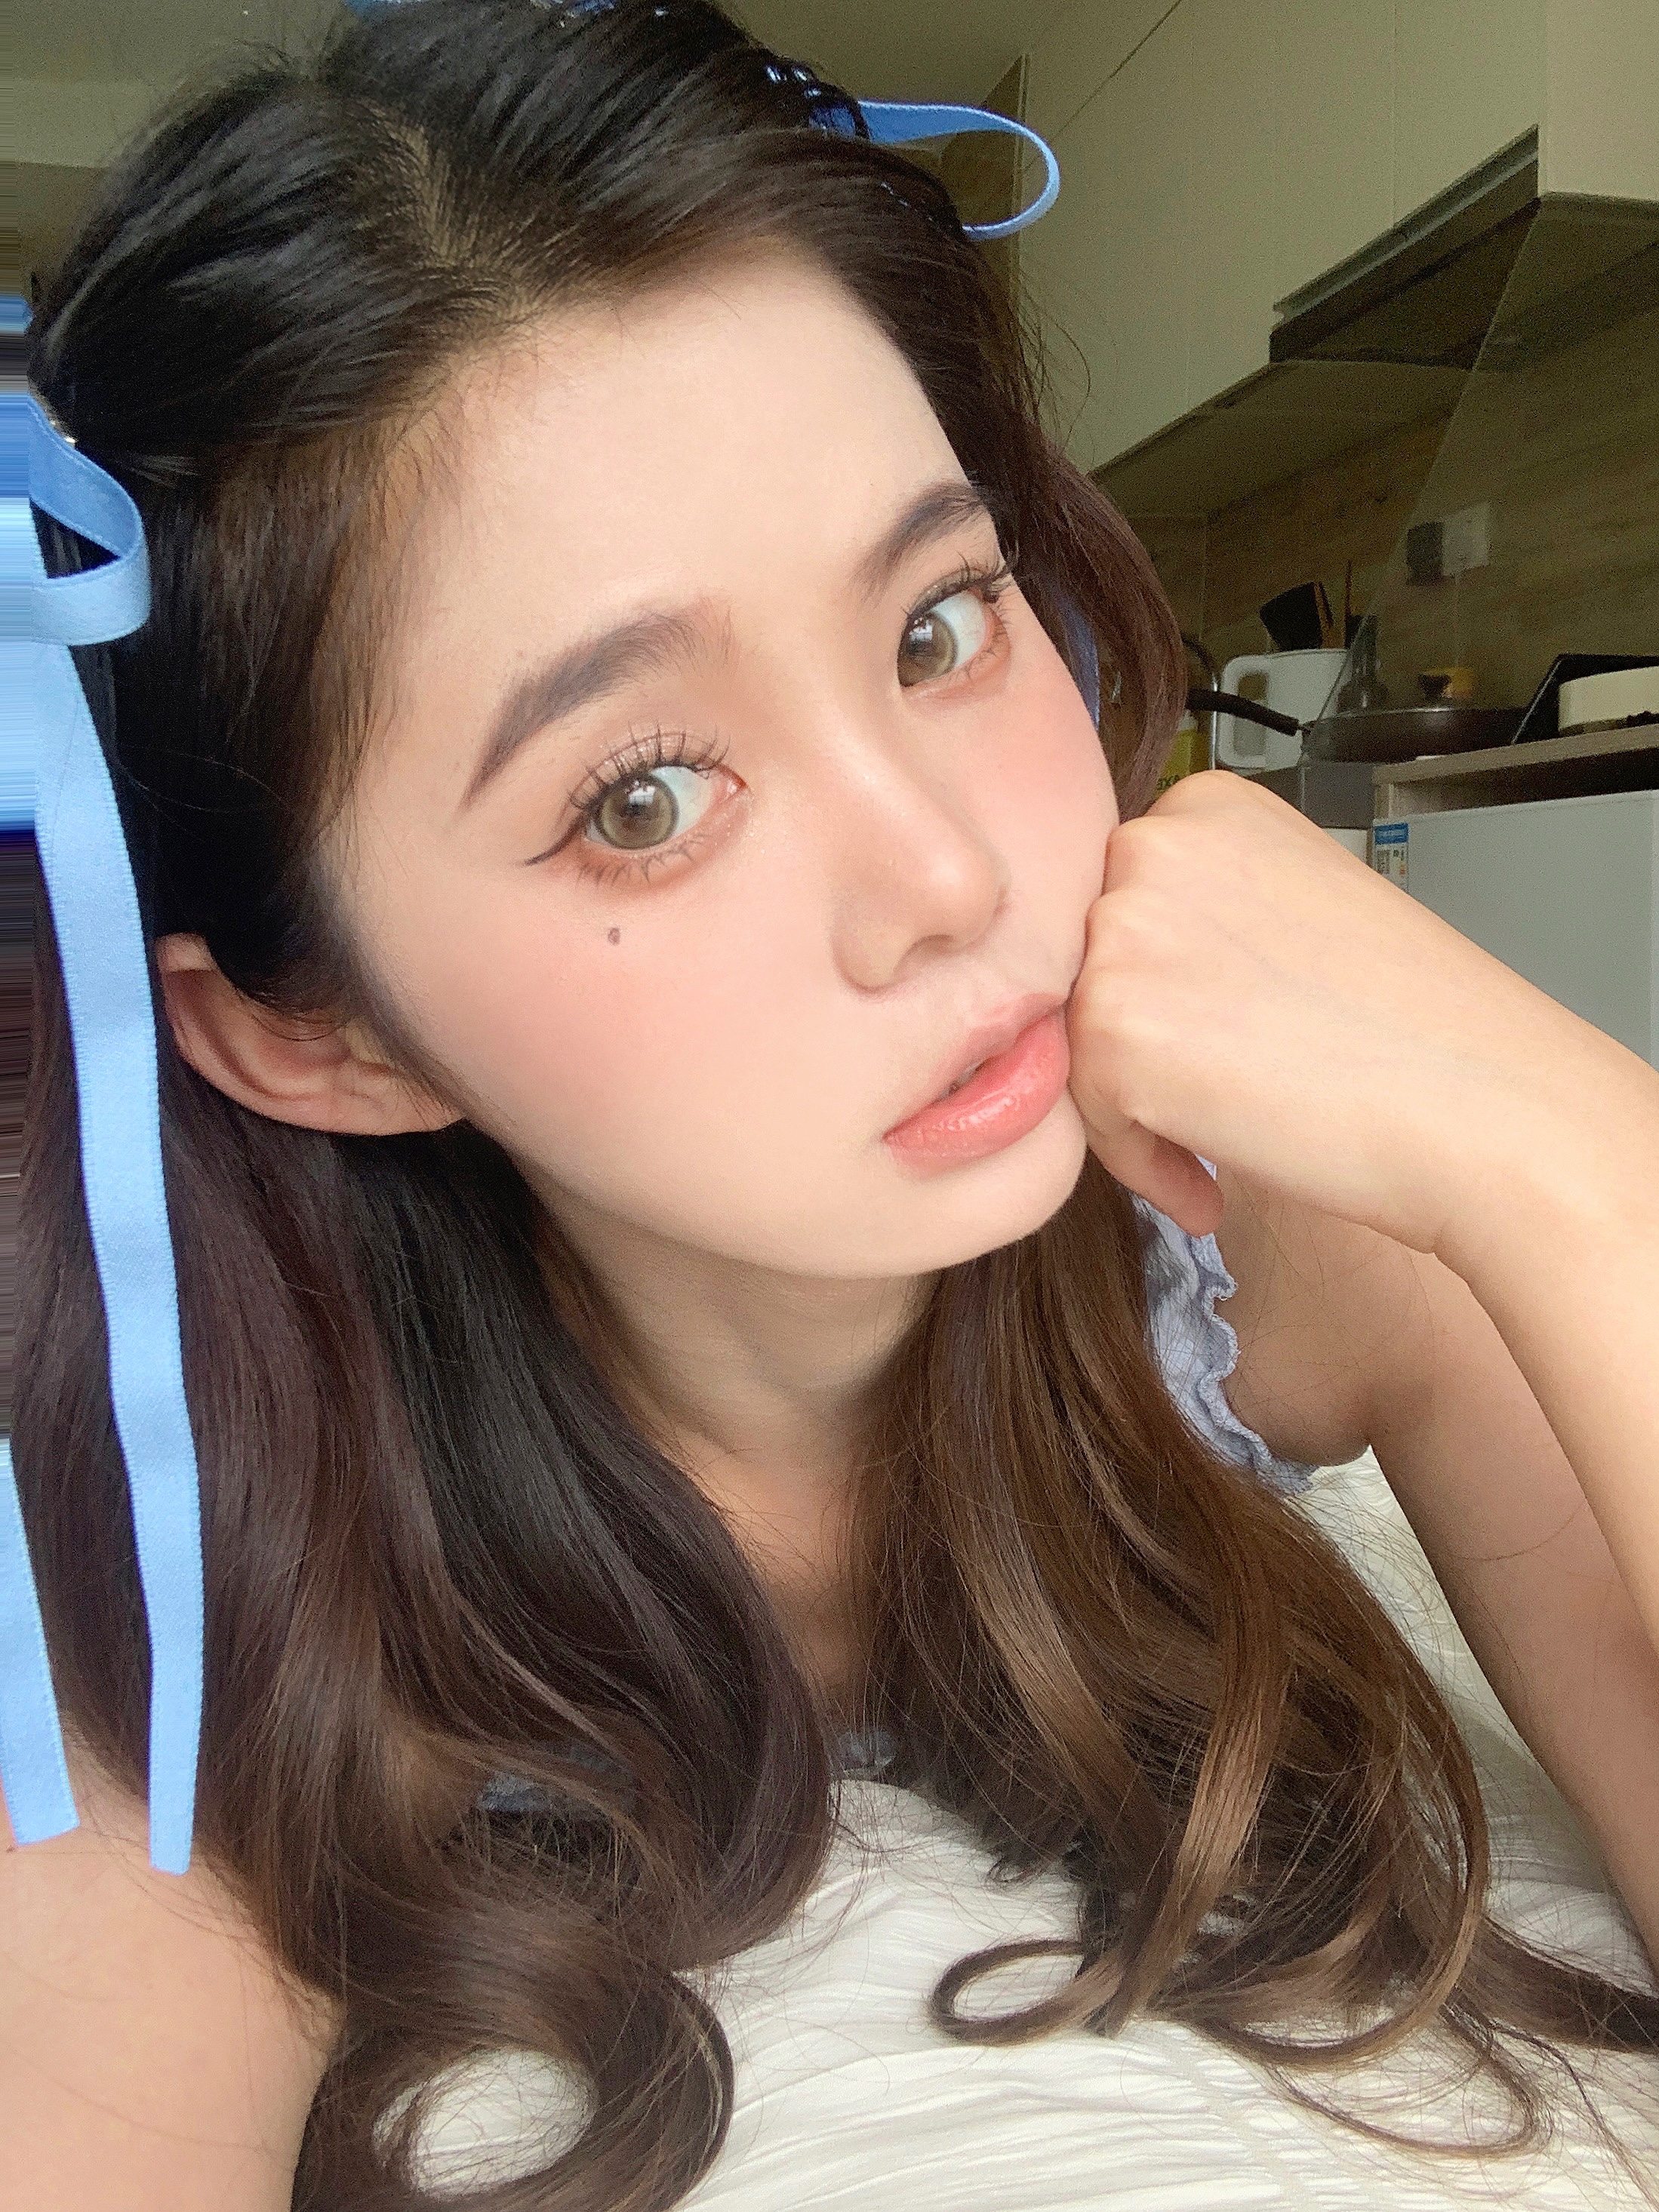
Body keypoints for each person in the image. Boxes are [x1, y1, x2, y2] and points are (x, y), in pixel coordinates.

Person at [5, 3, 1657, 2207]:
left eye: (940, 624)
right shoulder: (211, 1579)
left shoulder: (1265, 1222)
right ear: (323, 1035)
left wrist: (1561, 1146)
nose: (948, 876)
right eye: (643, 798)